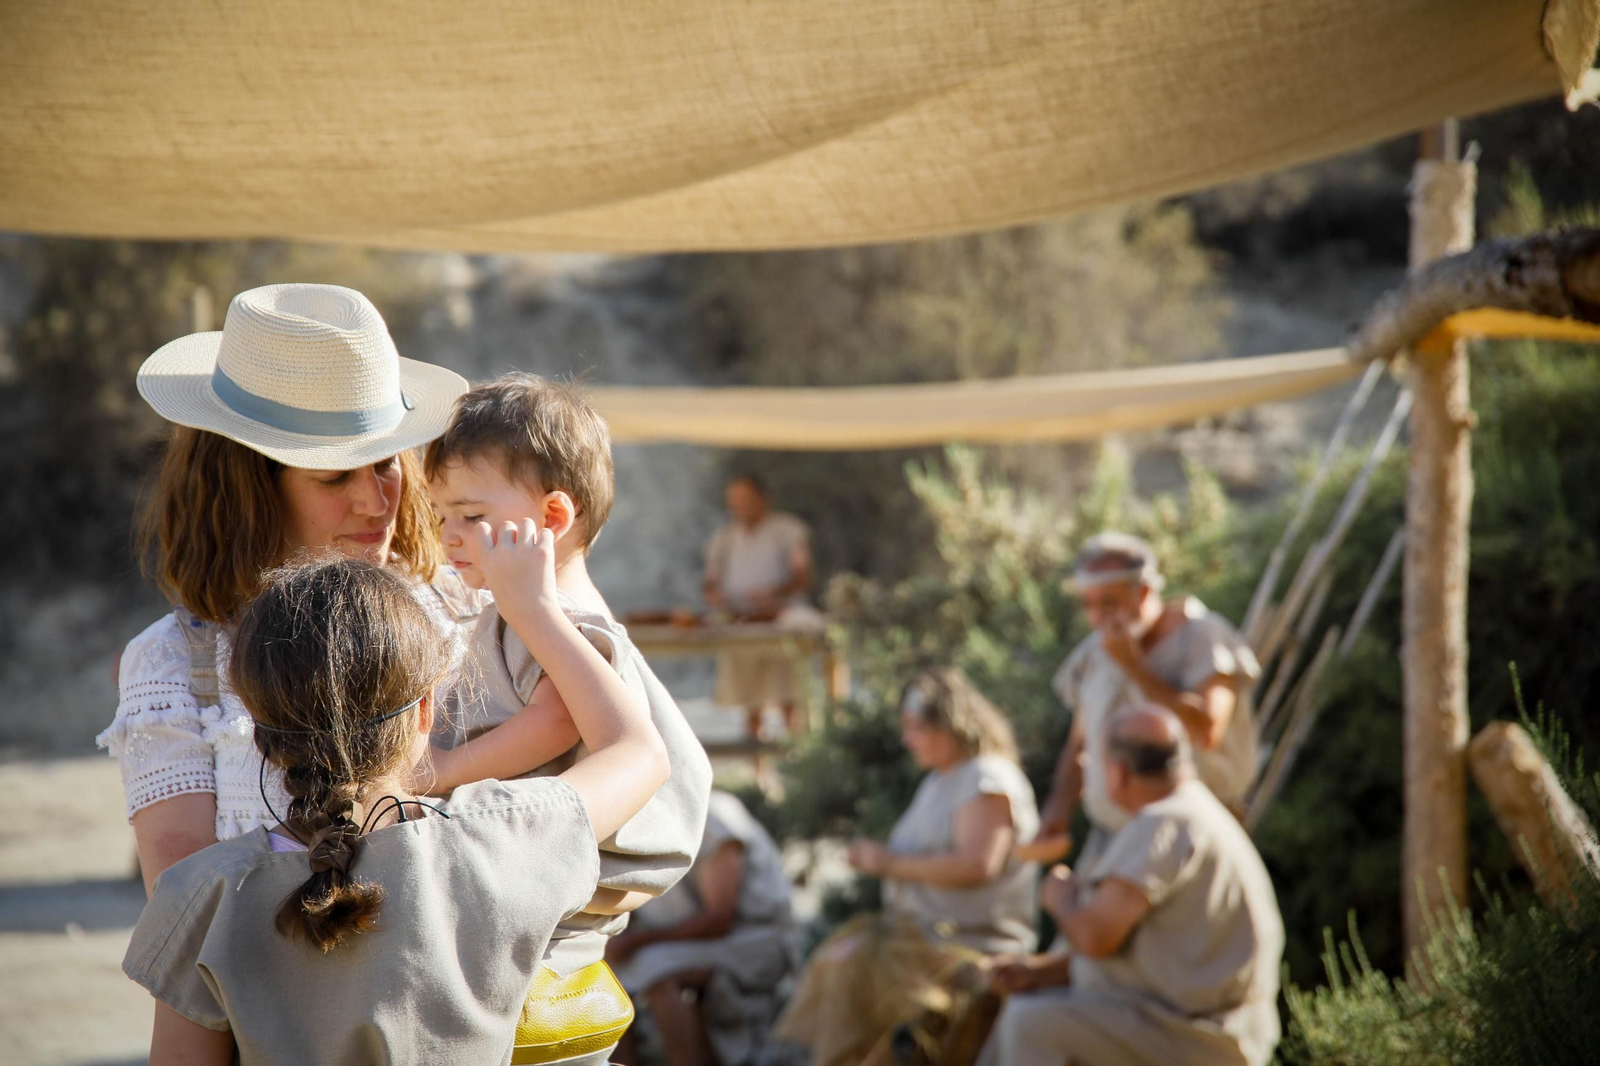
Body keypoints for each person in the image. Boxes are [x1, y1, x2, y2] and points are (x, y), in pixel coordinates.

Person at [123, 551, 671, 1065]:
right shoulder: (503, 836)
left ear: (258, 731)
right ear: (425, 710)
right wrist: (536, 608)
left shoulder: (200, 895)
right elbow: (638, 751)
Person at [98, 283, 473, 901]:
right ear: (246, 490)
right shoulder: (174, 667)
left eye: (386, 464)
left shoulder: (463, 611)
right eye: (334, 477)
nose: (378, 502)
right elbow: (188, 914)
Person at [423, 373, 714, 1061]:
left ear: (552, 518)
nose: (449, 536)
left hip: (549, 943)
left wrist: (439, 773)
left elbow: (554, 722)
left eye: (470, 515)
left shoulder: (560, 624)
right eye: (440, 517)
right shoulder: (514, 615)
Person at [981, 705, 1284, 1066]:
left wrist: (1060, 898)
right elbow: (1139, 951)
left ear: (1118, 773)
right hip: (1203, 1026)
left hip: (1195, 1036)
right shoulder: (1193, 813)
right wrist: (1041, 972)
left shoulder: (1164, 822)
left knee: (1029, 1024)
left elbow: (1096, 937)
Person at [775, 669, 1040, 1066]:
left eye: (916, 727)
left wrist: (888, 863)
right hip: (920, 934)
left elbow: (978, 864)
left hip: (967, 943)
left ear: (951, 725)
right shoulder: (941, 780)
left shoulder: (987, 777)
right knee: (838, 963)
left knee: (849, 972)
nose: (907, 739)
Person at [1041, 532, 1260, 864]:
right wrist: (1056, 814)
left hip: (1188, 840)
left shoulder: (1203, 636)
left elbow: (1206, 732)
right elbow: (1079, 745)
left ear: (1143, 592)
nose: (1096, 617)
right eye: (1088, 604)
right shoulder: (1094, 653)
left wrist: (1134, 667)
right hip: (1113, 840)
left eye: (1108, 602)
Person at [608, 789, 798, 1066]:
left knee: (654, 967)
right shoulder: (632, 823)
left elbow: (720, 919)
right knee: (602, 976)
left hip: (758, 939)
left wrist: (635, 942)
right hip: (701, 943)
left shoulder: (712, 815)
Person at [702, 473, 817, 738]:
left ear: (762, 499)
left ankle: (798, 762)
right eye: (734, 500)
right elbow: (710, 582)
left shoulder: (789, 530)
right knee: (751, 702)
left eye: (745, 499)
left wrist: (772, 594)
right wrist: (716, 596)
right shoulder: (725, 537)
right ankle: (759, 773)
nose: (739, 505)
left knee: (790, 697)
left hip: (782, 625)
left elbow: (802, 576)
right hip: (742, 625)